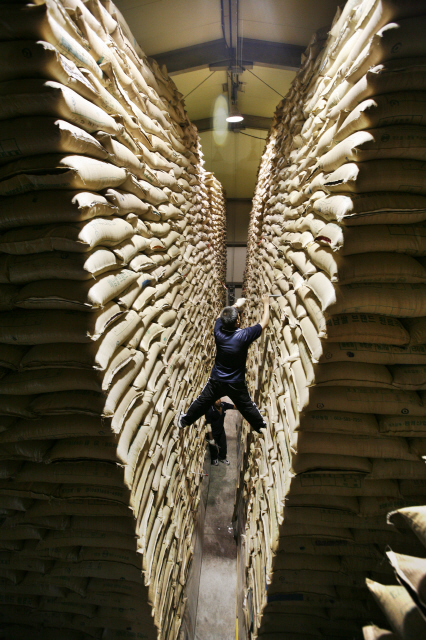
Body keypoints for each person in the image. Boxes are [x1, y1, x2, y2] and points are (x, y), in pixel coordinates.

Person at [177, 293, 270, 433]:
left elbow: (220, 317)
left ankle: (184, 421)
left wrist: (236, 304)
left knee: (202, 402)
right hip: (235, 382)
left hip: (217, 380)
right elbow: (264, 323)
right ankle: (261, 426)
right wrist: (266, 303)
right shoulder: (244, 336)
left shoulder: (218, 331)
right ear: (238, 321)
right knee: (247, 406)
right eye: (238, 316)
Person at [205, 397, 235, 466]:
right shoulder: (210, 410)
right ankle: (214, 459)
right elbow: (208, 425)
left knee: (223, 445)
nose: (218, 401)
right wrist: (211, 438)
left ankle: (222, 457)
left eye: (218, 399)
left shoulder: (223, 405)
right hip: (213, 432)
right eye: (216, 400)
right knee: (213, 446)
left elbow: (233, 407)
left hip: (221, 430)